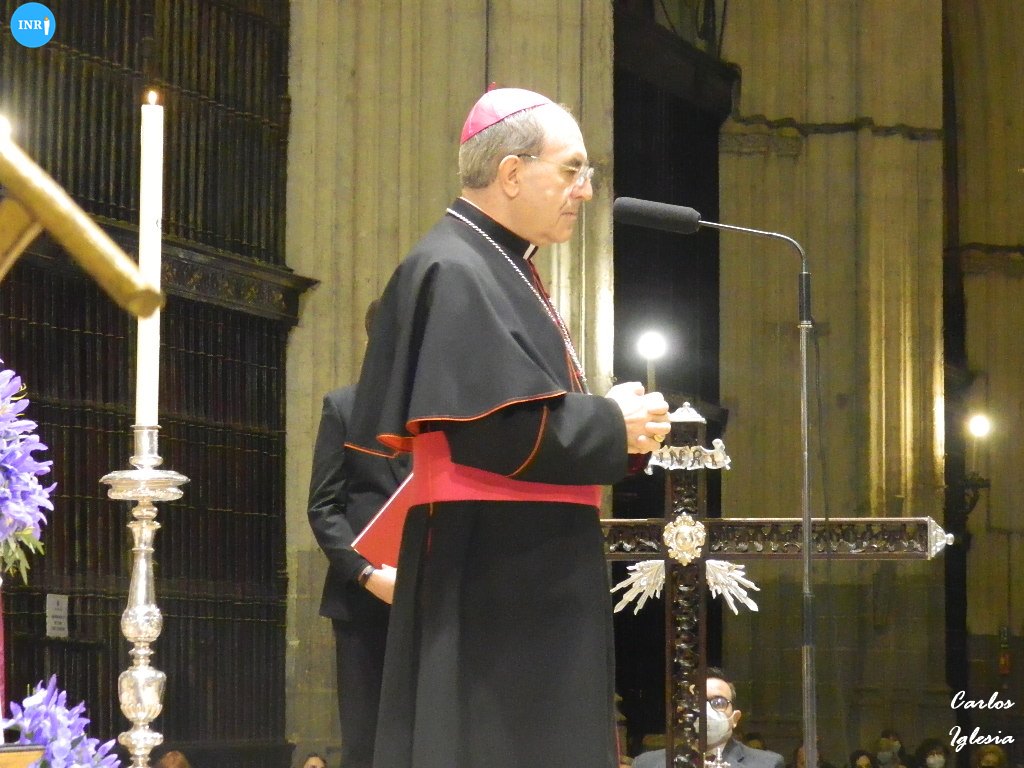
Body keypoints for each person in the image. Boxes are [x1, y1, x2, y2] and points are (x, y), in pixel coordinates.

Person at [346, 86, 671, 768]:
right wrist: (611, 422)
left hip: (525, 556)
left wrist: (617, 429)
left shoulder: (500, 264)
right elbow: (492, 431)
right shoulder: (456, 267)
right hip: (496, 566)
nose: (586, 191)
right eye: (572, 169)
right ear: (512, 173)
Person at [307, 300, 410, 768]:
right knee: (366, 742)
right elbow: (324, 507)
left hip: (434, 597)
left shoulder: (444, 418)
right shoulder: (345, 406)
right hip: (364, 600)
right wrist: (368, 574)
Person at [632, 667, 786, 768]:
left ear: (735, 718)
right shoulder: (648, 764)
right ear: (681, 714)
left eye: (718, 702)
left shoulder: (766, 764)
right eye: (695, 701)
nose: (705, 710)